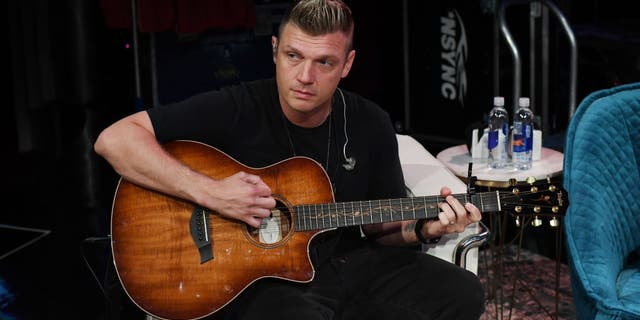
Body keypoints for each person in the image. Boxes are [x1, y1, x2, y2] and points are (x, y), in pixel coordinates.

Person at [94, 0, 485, 319]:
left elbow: (382, 230)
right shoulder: (239, 106)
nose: (304, 76)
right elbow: (114, 140)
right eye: (293, 56)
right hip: (270, 281)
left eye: (324, 63)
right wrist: (212, 193)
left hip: (350, 263)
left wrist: (425, 229)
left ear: (347, 64)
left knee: (462, 294)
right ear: (274, 50)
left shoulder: (369, 122)